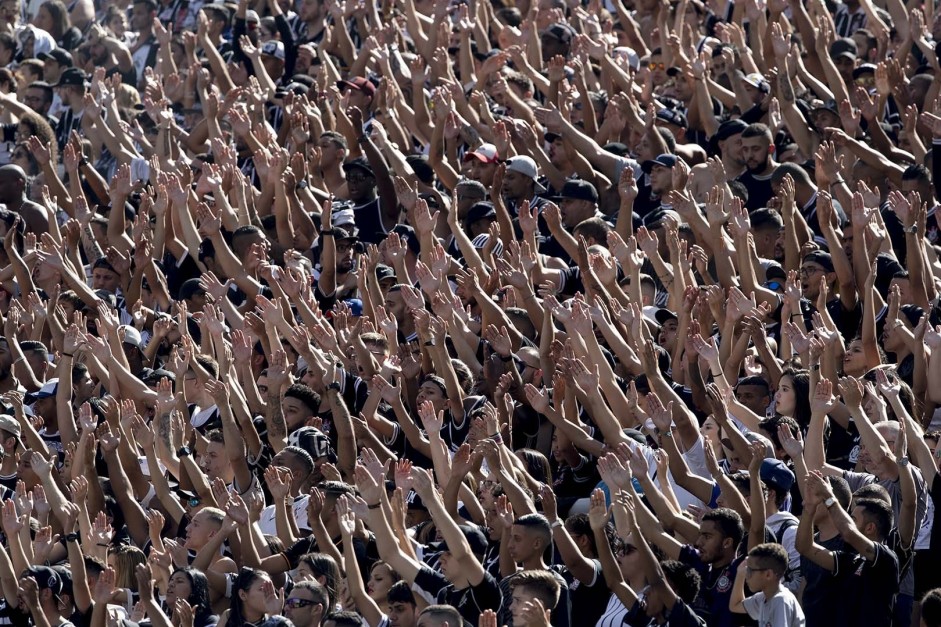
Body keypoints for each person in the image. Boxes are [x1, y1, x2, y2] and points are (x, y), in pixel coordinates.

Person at [729, 543, 805, 627]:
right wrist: (740, 574)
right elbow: (735, 606)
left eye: (750, 570)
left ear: (768, 574)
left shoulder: (781, 600)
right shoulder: (763, 598)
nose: (746, 574)